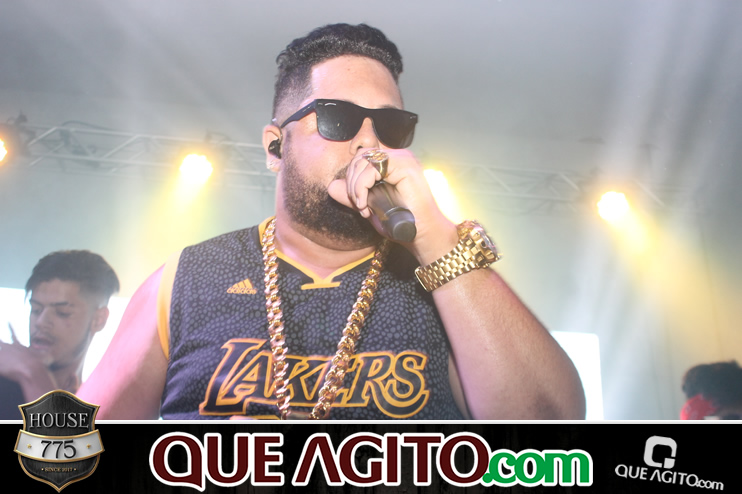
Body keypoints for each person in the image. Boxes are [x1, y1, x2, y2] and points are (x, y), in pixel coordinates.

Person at [78, 23, 585, 420]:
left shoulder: (445, 282)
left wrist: (436, 237)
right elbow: (69, 451)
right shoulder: (185, 281)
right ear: (275, 147)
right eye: (336, 118)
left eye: (390, 125)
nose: (369, 142)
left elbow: (550, 431)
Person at [0, 250, 119, 419]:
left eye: (62, 313)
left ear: (98, 320)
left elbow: (67, 437)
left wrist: (35, 376)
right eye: (36, 309)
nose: (41, 322)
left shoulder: (106, 410)